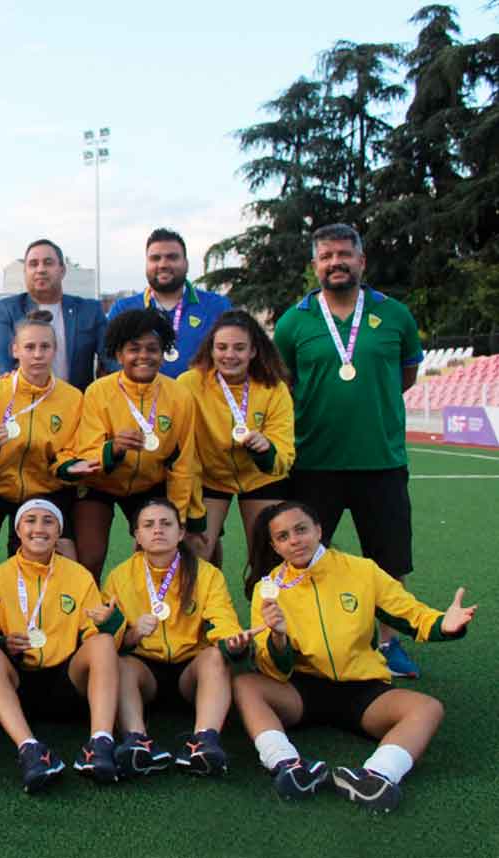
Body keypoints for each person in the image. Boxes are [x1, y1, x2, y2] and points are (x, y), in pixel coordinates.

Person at [233, 502, 475, 812]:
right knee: (245, 685)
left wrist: (445, 624)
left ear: (319, 530)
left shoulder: (362, 571)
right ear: (275, 546)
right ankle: (287, 765)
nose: (294, 540)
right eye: (283, 536)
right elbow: (272, 668)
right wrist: (278, 635)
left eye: (301, 529)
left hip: (362, 691)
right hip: (302, 690)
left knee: (427, 708)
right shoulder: (267, 589)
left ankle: (376, 776)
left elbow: (410, 614)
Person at [273, 223, 426, 678]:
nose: (335, 262)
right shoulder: (293, 320)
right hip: (315, 462)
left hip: (381, 460)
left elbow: (407, 375)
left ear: (361, 261)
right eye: (326, 256)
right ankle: (302, 638)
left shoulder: (394, 314)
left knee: (389, 558)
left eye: (344, 254)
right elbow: (284, 383)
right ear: (314, 266)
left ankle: (389, 641)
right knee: (302, 554)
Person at [0, 499, 124, 793]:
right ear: (17, 529)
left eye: (48, 521)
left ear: (58, 533)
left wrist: (108, 624)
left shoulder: (79, 576)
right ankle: (29, 749)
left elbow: (94, 635)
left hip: (66, 680)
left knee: (103, 642)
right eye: (30, 520)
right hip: (18, 682)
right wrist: (1, 642)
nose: (38, 528)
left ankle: (100, 743)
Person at [102, 498, 254, 779]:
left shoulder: (207, 574)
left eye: (166, 523)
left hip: (190, 674)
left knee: (214, 657)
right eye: (148, 525)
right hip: (145, 672)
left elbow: (223, 619)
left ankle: (204, 742)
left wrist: (230, 641)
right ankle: (137, 741)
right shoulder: (119, 577)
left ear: (181, 533)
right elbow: (111, 639)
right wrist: (132, 633)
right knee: (117, 663)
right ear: (137, 534)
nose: (157, 530)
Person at [72, 308, 205, 579]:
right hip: (100, 485)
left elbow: (183, 464)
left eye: (152, 349)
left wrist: (177, 519)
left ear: (163, 352)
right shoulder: (99, 391)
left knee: (159, 554)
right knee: (90, 557)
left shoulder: (179, 395)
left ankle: (156, 616)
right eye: (134, 349)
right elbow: (86, 451)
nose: (143, 356)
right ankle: (90, 619)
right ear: (119, 354)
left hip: (150, 485)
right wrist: (114, 449)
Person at [0, 309, 95, 570]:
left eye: (45, 347)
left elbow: (70, 450)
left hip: (43, 490)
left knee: (68, 562)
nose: (37, 354)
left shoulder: (72, 398)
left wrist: (69, 467)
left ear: (55, 350)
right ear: (15, 350)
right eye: (29, 347)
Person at [178, 311, 294, 565]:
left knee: (268, 556)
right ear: (211, 349)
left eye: (239, 348)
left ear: (253, 351)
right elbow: (180, 442)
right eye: (221, 347)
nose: (229, 355)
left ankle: (263, 600)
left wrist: (267, 450)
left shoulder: (274, 387)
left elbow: (285, 452)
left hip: (260, 477)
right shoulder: (189, 384)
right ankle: (205, 602)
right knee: (195, 553)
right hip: (209, 477)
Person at [106, 228, 232, 378]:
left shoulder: (217, 306)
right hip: (142, 399)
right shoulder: (123, 308)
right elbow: (110, 361)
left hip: (200, 399)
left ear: (186, 263)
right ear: (147, 264)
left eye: (172, 257)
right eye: (155, 258)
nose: (163, 264)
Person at [0, 238, 109, 391]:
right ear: (25, 272)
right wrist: (9, 384)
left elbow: (111, 357)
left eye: (48, 262)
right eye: (33, 264)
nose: (40, 269)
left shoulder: (89, 310)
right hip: (24, 402)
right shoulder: (8, 309)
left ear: (62, 270)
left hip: (75, 404)